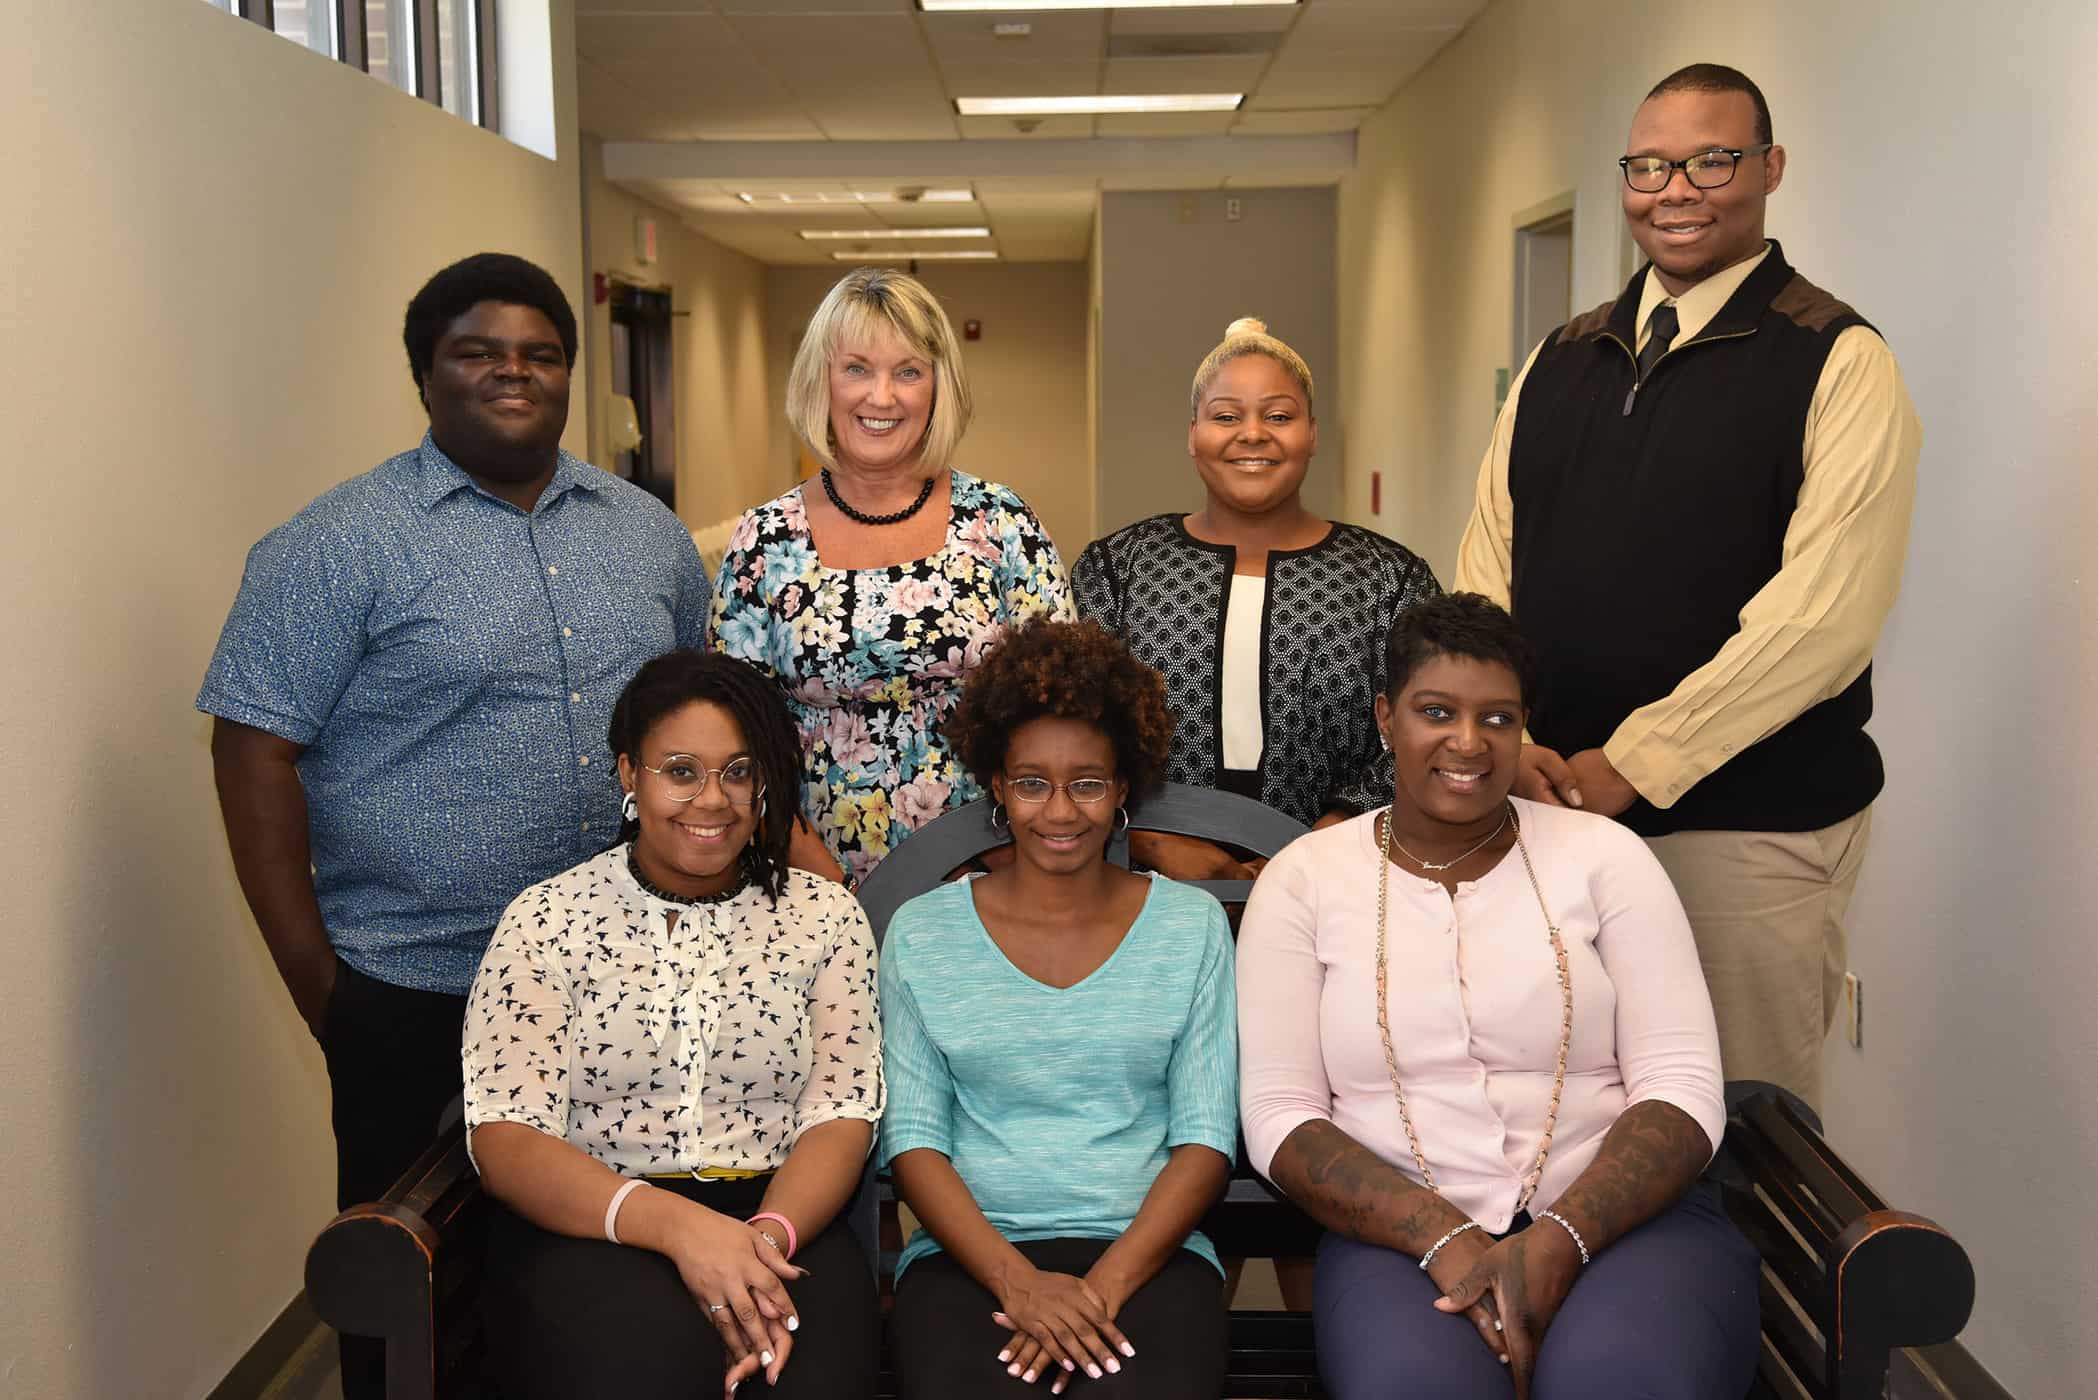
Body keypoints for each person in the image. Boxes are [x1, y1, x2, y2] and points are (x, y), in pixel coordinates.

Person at [196, 253, 712, 1396]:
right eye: (478, 352)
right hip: (420, 986)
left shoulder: (647, 536)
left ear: (571, 372)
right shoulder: (338, 544)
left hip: (622, 975)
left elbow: (693, 727)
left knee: (595, 1282)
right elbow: (253, 750)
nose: (511, 373)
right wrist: (321, 985)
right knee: (410, 1289)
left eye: (538, 353)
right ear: (426, 373)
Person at [1454, 63, 1922, 1110]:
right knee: (1560, 1114)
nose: (1677, 188)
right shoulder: (1559, 357)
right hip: (1551, 813)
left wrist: (1635, 759)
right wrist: (1503, 730)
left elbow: (1823, 618)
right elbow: (1489, 560)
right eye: (1651, 165)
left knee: (1732, 1129)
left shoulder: (1833, 358)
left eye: (1711, 160)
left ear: (1768, 168)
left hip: (1743, 833)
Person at [1237, 594, 1758, 1400]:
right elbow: (1280, 1112)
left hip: (1626, 1227)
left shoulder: (1604, 858)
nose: (1468, 743)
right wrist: (1442, 1236)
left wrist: (1558, 1241)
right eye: (1435, 711)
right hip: (1395, 1244)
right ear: (1386, 717)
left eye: (1499, 719)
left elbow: (1682, 1085)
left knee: (1618, 1382)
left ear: (1524, 729)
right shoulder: (1305, 880)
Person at [462, 650, 883, 1399]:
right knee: (640, 1373)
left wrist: (762, 1239)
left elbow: (841, 1114)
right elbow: (507, 1137)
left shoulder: (825, 917)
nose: (712, 800)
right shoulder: (547, 920)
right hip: (595, 1222)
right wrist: (680, 1229)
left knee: (809, 1382)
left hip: (784, 1221)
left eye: (739, 771)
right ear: (630, 774)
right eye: (681, 771)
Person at [880, 619, 1237, 1398]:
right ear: (999, 788)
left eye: (1089, 782)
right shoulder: (923, 933)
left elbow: (1206, 1138)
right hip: (968, 1260)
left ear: (1123, 789)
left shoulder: (1190, 927)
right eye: (1032, 782)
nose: (1061, 811)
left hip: (1149, 1259)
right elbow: (913, 1142)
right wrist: (1021, 1285)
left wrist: (1099, 1291)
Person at [712, 267, 1071, 886]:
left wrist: (1005, 861)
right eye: (856, 368)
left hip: (998, 874)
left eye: (908, 371)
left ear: (938, 388)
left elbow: (1061, 704)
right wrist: (824, 885)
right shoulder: (764, 540)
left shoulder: (1002, 522)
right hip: (808, 883)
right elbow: (734, 734)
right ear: (821, 380)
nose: (882, 397)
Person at [1074, 317, 1439, 883]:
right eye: (1226, 416)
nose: (1253, 434)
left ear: (1313, 434)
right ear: (1192, 433)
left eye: (1278, 416)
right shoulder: (1120, 568)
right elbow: (1075, 729)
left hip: (1346, 878)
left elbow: (1422, 730)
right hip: (1141, 883)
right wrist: (1149, 838)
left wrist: (1321, 844)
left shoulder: (1389, 579)